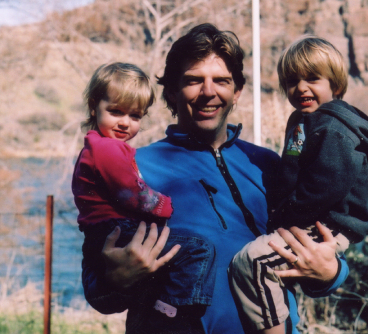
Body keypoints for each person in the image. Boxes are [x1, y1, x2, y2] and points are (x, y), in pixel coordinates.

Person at [81, 25, 349, 334]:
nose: (209, 92)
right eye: (194, 80)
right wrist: (116, 280)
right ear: (171, 91)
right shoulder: (132, 170)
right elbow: (97, 290)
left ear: (237, 92)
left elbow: (311, 250)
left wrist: (330, 272)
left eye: (221, 81)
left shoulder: (270, 165)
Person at [228, 36, 368, 333]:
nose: (301, 87)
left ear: (336, 85)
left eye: (313, 78)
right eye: (292, 81)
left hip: (326, 222)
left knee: (253, 262)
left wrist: (285, 217)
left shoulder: (333, 129)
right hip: (310, 217)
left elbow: (324, 188)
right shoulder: (303, 120)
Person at [73, 62, 217, 330]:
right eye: (116, 112)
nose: (125, 123)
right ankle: (174, 308)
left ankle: (171, 304)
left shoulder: (100, 147)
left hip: (102, 228)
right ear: (94, 106)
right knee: (197, 249)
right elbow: (132, 193)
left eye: (136, 116)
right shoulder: (108, 150)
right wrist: (163, 205)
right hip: (116, 228)